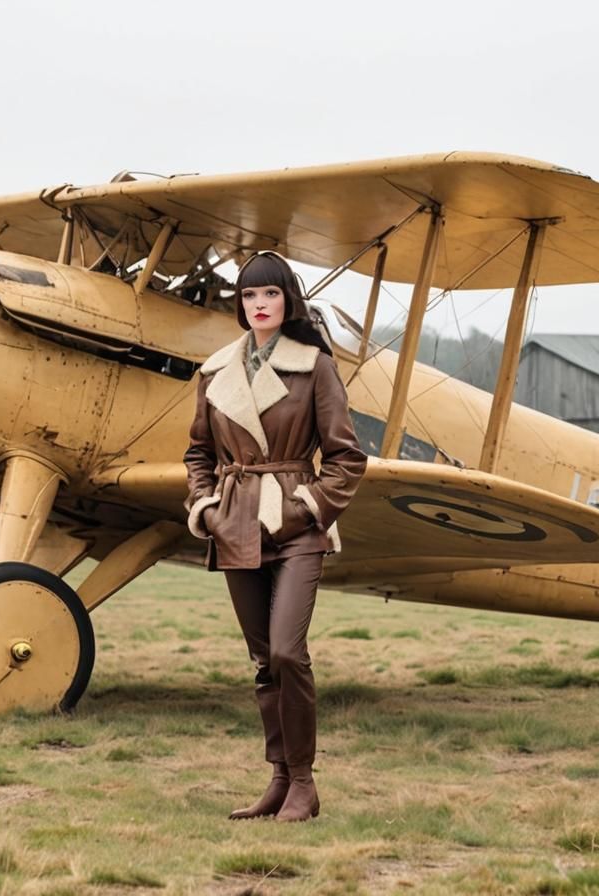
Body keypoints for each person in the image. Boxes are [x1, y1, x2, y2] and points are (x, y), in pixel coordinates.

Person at [183, 251, 368, 821]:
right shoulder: (214, 372)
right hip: (234, 522)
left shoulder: (315, 367)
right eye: (248, 297)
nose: (258, 305)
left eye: (269, 295)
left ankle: (306, 784)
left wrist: (308, 505)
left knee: (289, 652)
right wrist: (206, 506)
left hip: (297, 526)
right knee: (264, 661)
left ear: (288, 300)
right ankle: (279, 781)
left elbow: (346, 458)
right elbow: (198, 453)